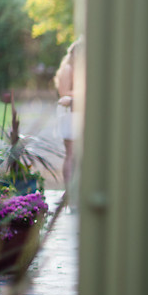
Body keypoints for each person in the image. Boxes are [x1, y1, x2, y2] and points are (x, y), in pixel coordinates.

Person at [53, 38, 82, 193]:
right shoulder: (68, 69)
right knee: (70, 153)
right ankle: (69, 192)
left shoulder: (79, 70)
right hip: (70, 114)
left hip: (78, 112)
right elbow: (64, 94)